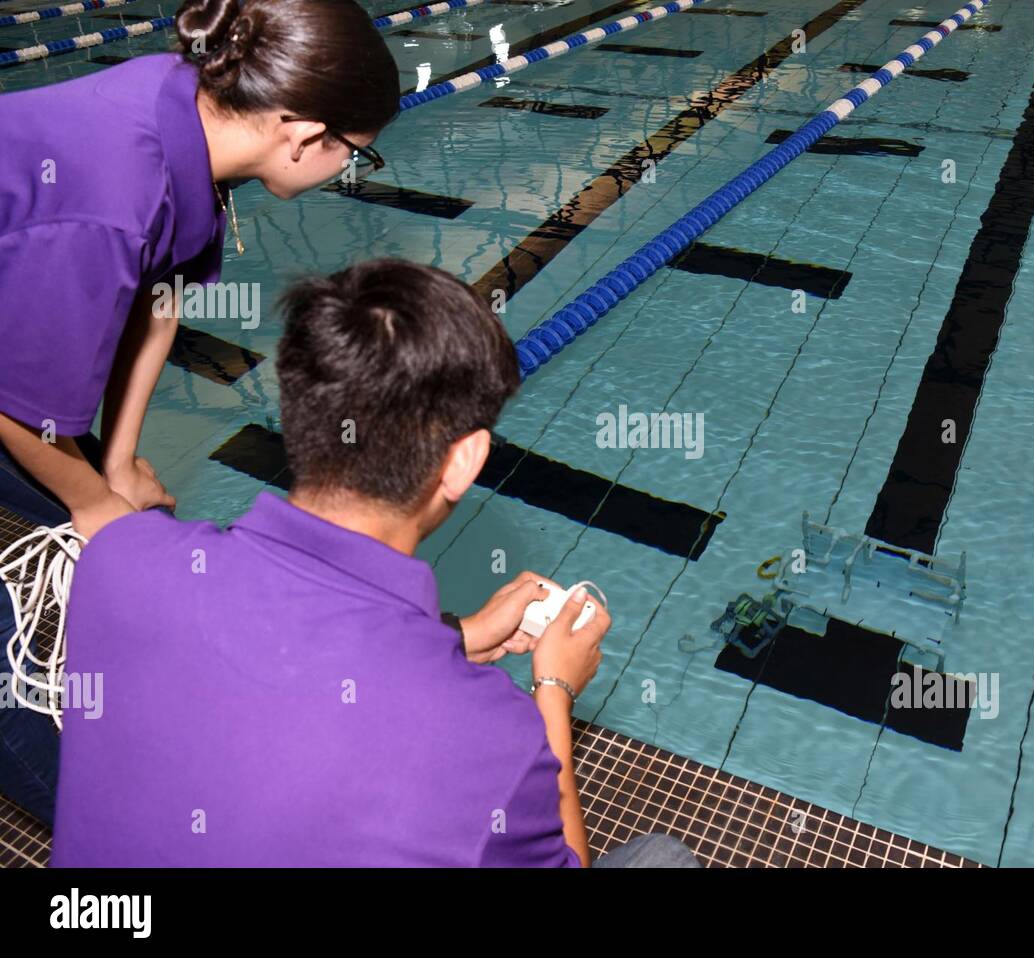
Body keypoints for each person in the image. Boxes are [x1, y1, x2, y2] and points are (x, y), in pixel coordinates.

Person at [51, 259, 700, 868]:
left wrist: (462, 635)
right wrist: (553, 692)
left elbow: (288, 661)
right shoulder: (489, 741)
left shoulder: (119, 561)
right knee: (665, 857)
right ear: (464, 460)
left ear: (296, 407)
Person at [0, 0, 398, 826]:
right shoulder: (108, 194)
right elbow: (12, 407)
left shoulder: (184, 107)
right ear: (302, 133)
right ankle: (118, 829)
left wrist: (116, 468)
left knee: (136, 531)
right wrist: (92, 505)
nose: (349, 170)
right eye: (357, 154)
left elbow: (162, 293)